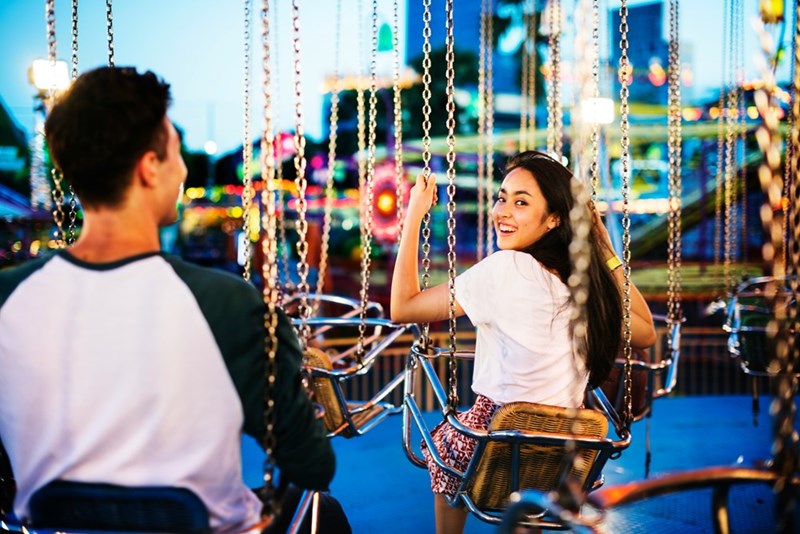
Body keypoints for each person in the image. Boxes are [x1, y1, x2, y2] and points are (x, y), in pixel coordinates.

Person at [0, 66, 340, 533]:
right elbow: (312, 465)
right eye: (176, 151)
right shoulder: (229, 308)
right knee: (326, 513)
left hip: (49, 524)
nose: (183, 168)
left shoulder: (8, 299)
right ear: (149, 167)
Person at [390, 150, 656, 534]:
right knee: (531, 492)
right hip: (569, 449)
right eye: (502, 198)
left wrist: (415, 213)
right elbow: (646, 330)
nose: (503, 211)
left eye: (521, 202)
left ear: (552, 219)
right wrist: (601, 244)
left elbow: (403, 307)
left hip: (496, 437)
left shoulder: (505, 268)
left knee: (447, 447)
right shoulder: (584, 286)